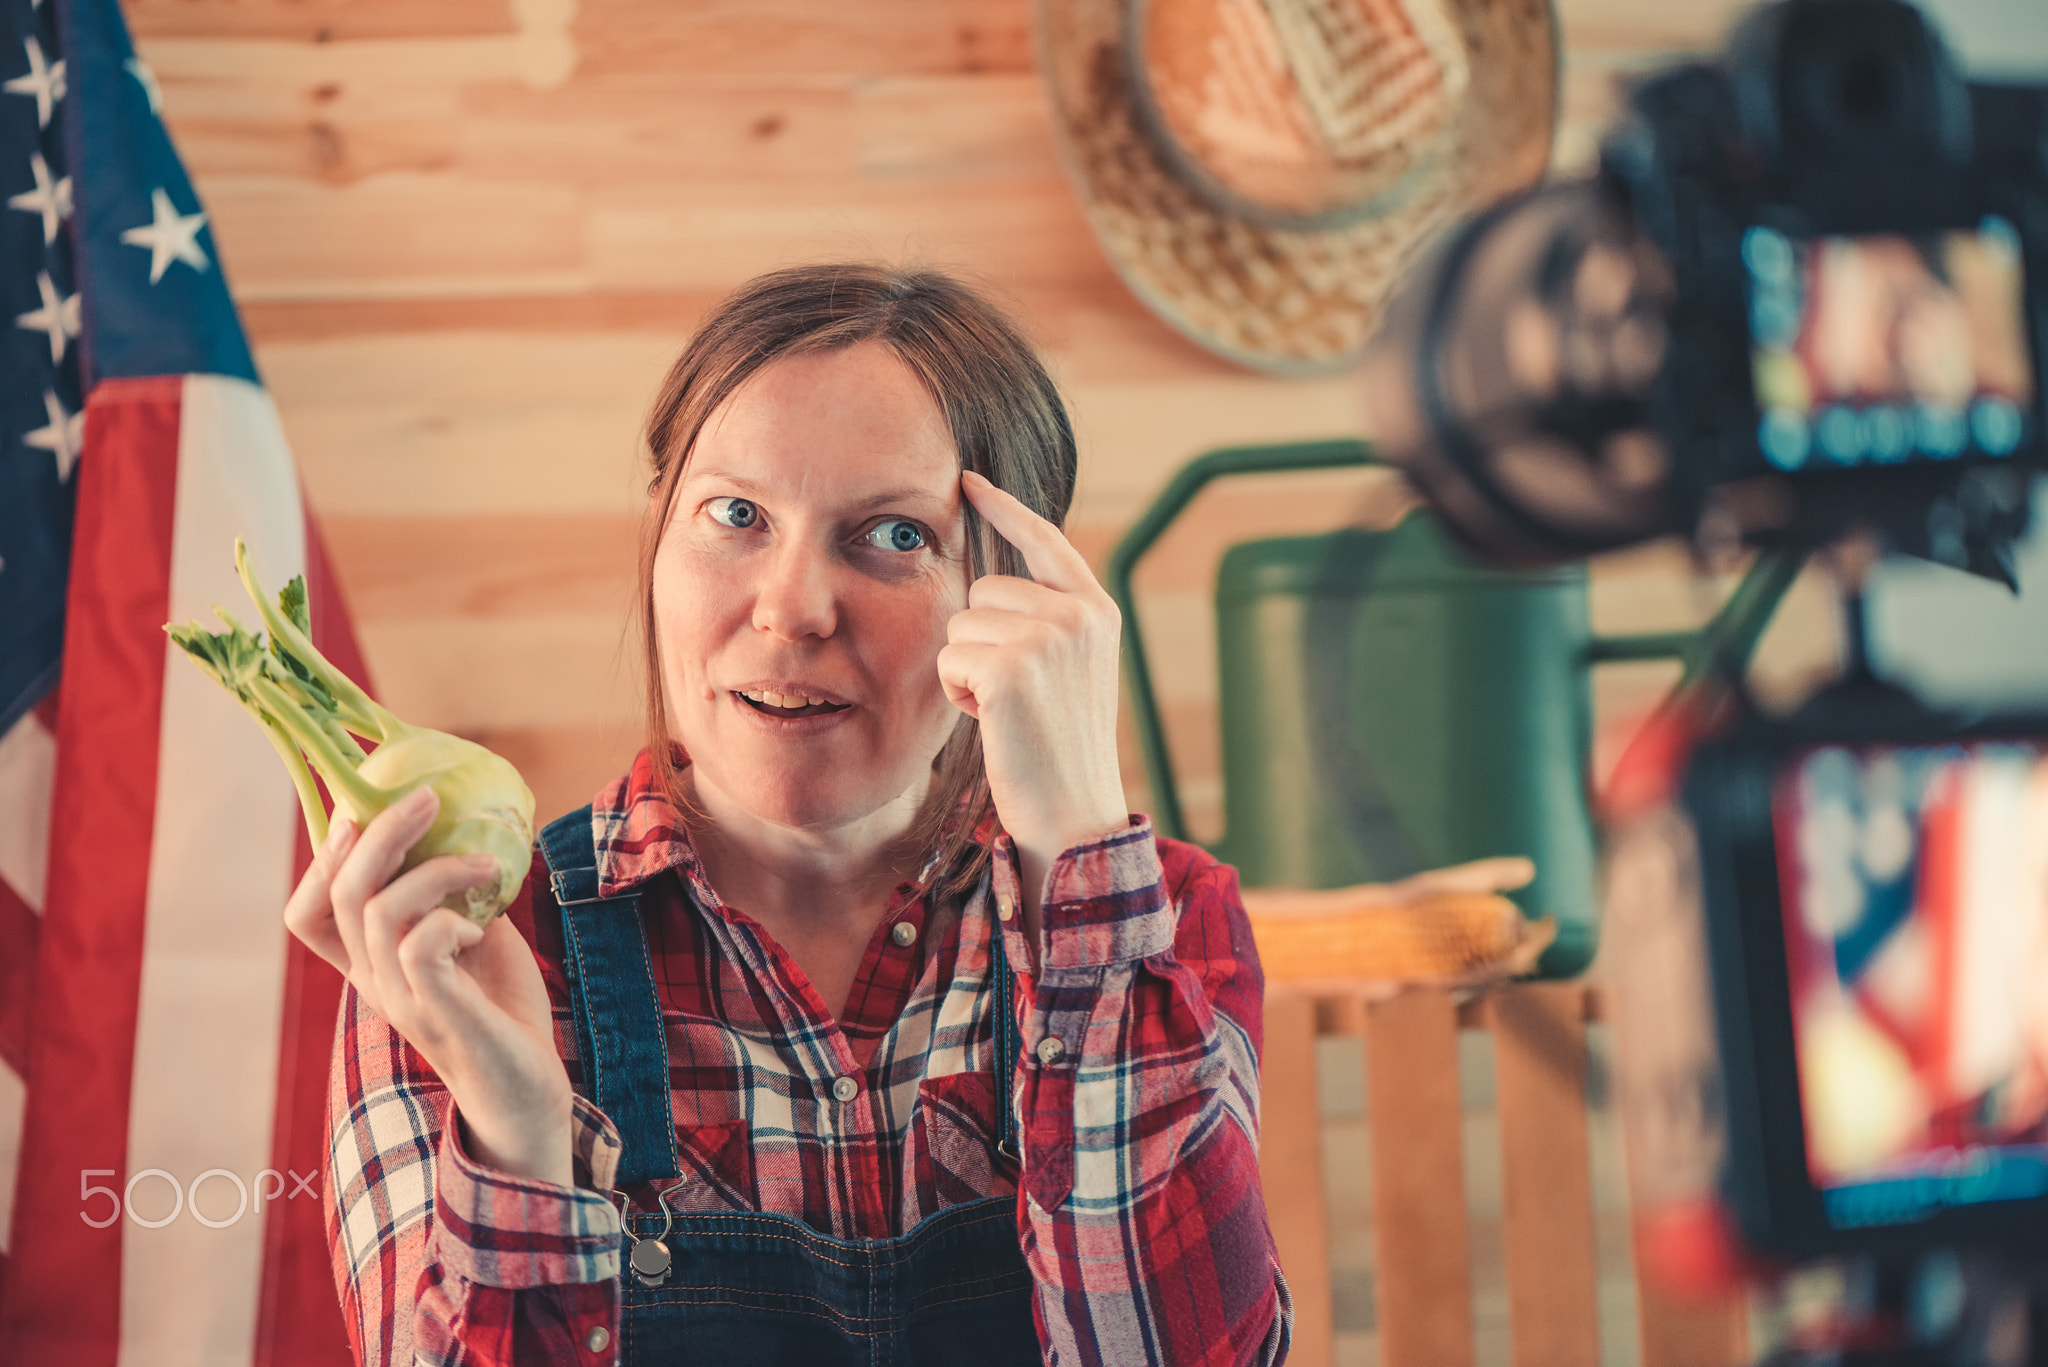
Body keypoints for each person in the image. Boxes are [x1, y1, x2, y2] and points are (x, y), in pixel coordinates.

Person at [290, 263, 1291, 1366]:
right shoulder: (473, 949)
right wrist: (521, 1143)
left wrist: (1077, 861)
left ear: (1017, 592)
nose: (792, 607)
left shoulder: (1158, 928)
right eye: (736, 514)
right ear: (661, 538)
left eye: (894, 535)